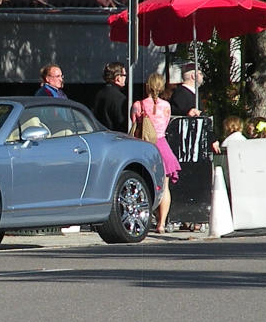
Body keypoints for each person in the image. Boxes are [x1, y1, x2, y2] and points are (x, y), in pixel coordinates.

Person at [131, 72, 181, 233]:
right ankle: (162, 223)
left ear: (147, 86)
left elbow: (134, 126)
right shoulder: (166, 106)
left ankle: (144, 219)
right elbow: (165, 125)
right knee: (165, 187)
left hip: (145, 147)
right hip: (163, 146)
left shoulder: (138, 105)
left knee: (144, 185)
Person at [170, 63, 220, 153]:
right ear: (193, 76)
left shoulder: (193, 94)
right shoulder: (181, 93)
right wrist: (187, 112)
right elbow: (175, 111)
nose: (202, 77)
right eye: (200, 74)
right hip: (188, 146)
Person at [92, 62, 128, 132]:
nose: (125, 78)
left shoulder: (99, 94)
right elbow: (121, 123)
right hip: (115, 137)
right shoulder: (119, 98)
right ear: (118, 78)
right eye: (124, 75)